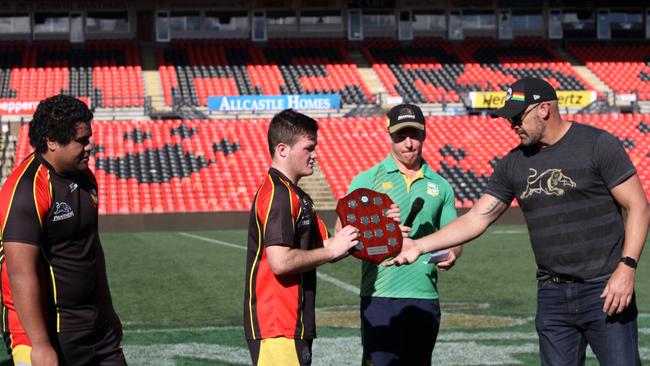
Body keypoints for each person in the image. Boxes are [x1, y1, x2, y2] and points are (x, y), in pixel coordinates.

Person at [387, 77, 650, 365]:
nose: (512, 125)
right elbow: (476, 218)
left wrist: (626, 269)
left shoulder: (598, 145)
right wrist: (419, 246)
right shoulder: (513, 164)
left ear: (544, 109)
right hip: (552, 295)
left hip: (605, 289)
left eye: (517, 116)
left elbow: (638, 206)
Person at [0, 95, 126, 365]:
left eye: (88, 138)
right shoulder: (26, 189)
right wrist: (41, 344)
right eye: (81, 141)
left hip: (95, 325)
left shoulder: (85, 178)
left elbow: (91, 248)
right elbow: (20, 272)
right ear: (52, 141)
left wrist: (108, 310)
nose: (90, 146)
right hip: (44, 332)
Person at [341, 103, 462, 365]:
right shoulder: (367, 179)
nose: (408, 143)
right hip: (380, 296)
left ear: (424, 134)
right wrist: (380, 228)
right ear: (389, 136)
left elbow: (455, 238)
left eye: (414, 135)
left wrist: (451, 254)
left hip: (425, 296)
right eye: (400, 136)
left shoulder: (441, 186)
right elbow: (342, 236)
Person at [243, 109, 363, 366]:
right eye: (309, 148)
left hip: (291, 324)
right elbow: (281, 262)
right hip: (277, 325)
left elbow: (327, 245)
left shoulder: (295, 195)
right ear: (283, 149)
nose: (315, 155)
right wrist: (332, 251)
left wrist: (378, 233)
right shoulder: (280, 195)